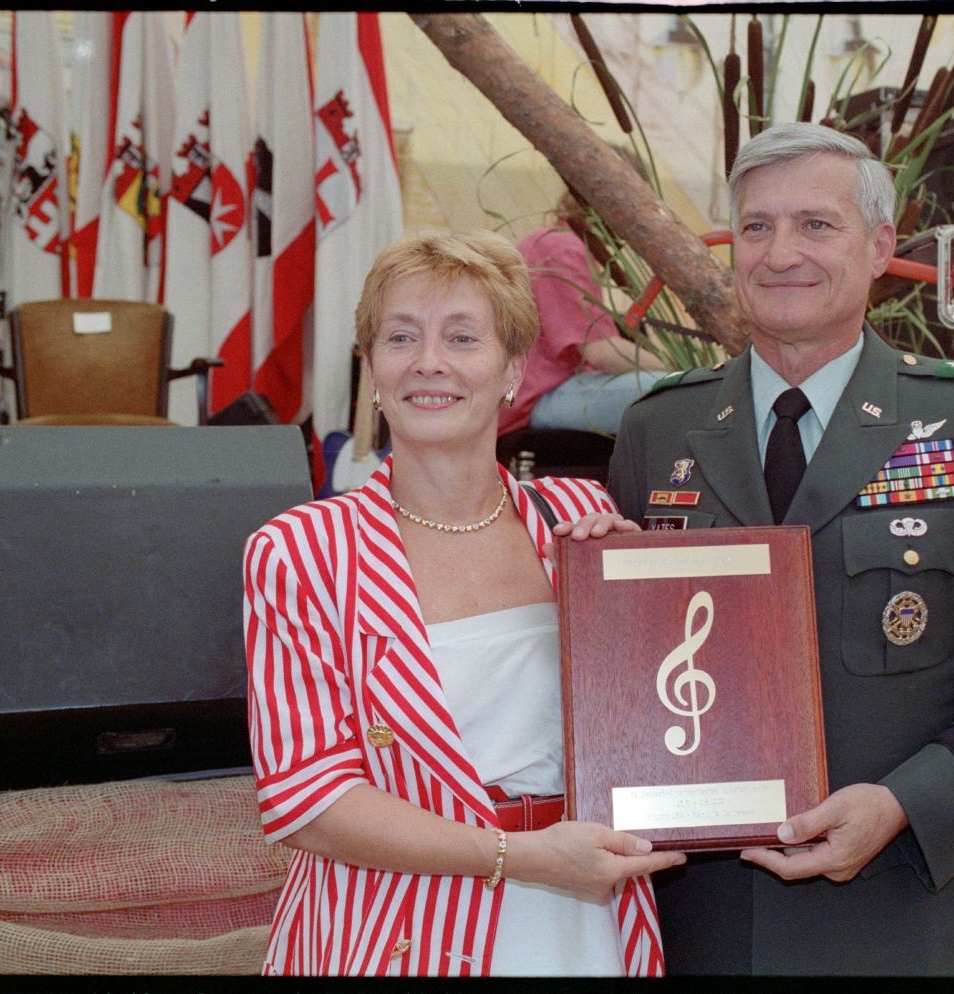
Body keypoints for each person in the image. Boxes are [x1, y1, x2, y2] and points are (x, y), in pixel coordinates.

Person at [605, 122, 954, 975]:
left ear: (880, 246)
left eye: (816, 224)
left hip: (903, 910)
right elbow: (622, 663)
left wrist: (907, 805)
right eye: (757, 227)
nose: (780, 253)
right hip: (700, 916)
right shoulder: (660, 429)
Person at [243, 230, 683, 977]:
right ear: (374, 369)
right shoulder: (301, 549)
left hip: (587, 925)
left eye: (462, 338)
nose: (428, 363)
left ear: (513, 369)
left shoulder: (579, 519)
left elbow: (669, 721)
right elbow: (306, 800)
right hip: (393, 929)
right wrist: (520, 857)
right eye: (401, 337)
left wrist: (643, 600)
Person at [500, 183, 668, 438]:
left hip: (534, 393)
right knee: (674, 394)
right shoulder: (561, 247)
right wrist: (682, 372)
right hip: (533, 398)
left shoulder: (555, 241)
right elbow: (602, 351)